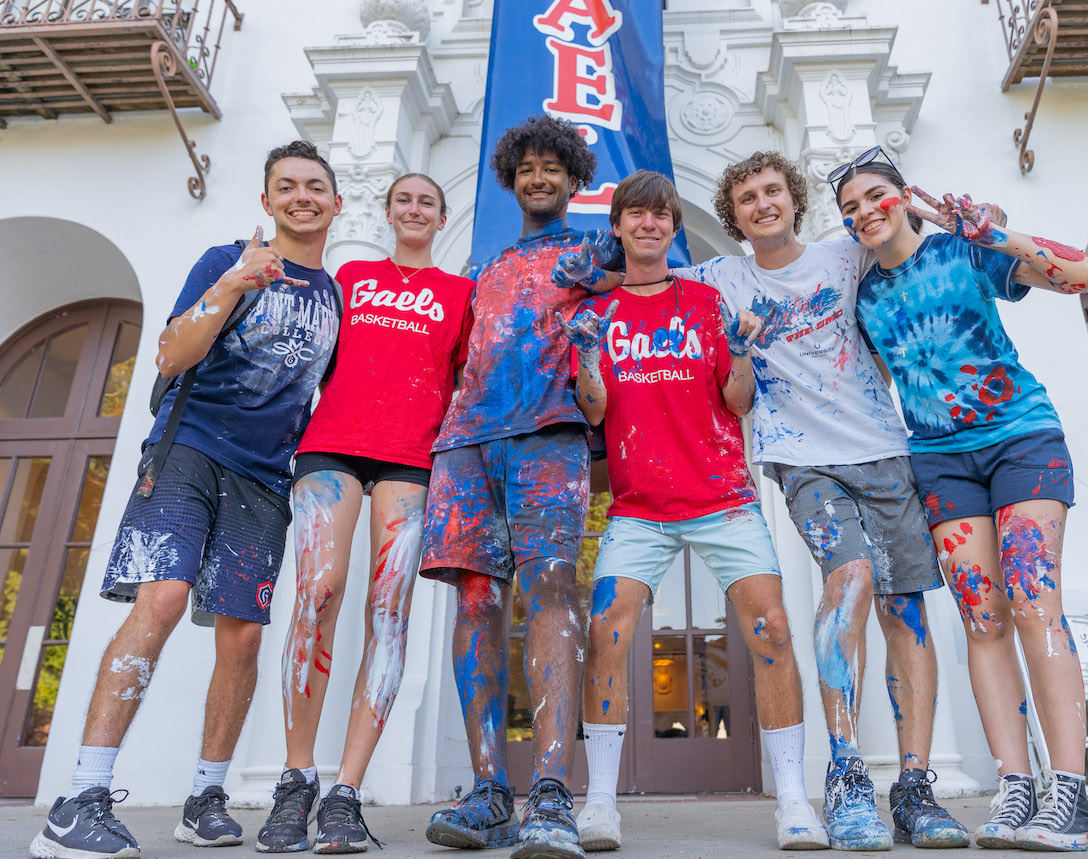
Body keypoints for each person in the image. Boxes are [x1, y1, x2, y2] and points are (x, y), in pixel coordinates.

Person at [556, 151, 968, 850]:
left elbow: (897, 244)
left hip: (826, 465)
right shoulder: (695, 285)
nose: (762, 204)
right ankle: (610, 801)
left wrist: (944, 221)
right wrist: (583, 306)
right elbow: (619, 344)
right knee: (619, 627)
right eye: (747, 197)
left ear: (793, 198)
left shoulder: (825, 261)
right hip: (727, 482)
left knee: (866, 617)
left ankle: (873, 791)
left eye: (773, 190)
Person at [29, 141, 342, 859]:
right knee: (163, 598)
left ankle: (205, 796)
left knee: (243, 636)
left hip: (265, 478)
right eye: (286, 186)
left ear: (334, 200)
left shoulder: (333, 298)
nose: (301, 196)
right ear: (267, 201)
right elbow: (171, 354)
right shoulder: (223, 261)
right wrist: (234, 282)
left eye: (314, 186)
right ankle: (80, 797)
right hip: (189, 450)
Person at [835, 150, 1088, 852]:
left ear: (904, 197)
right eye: (850, 207)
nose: (864, 211)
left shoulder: (966, 249)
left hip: (1022, 439)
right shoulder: (864, 299)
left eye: (875, 195)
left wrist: (996, 233)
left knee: (1033, 600)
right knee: (982, 621)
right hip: (941, 462)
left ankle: (1070, 794)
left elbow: (1087, 275)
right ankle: (1017, 787)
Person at [559, 169, 829, 853]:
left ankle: (794, 799)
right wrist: (587, 353)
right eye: (636, 215)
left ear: (673, 228)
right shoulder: (600, 310)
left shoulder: (706, 301)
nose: (649, 224)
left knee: (770, 628)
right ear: (617, 226)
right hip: (637, 506)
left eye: (661, 216)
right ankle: (599, 804)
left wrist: (739, 351)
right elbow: (594, 409)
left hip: (723, 498)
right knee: (608, 633)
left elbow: (738, 401)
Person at [419, 115, 621, 859]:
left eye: (553, 168)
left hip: (551, 436)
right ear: (512, 178)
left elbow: (643, 264)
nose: (539, 178)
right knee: (475, 602)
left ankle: (549, 791)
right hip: (466, 444)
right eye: (527, 168)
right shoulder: (489, 266)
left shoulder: (592, 250)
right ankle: (486, 789)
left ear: (574, 178)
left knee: (550, 594)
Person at [255, 174, 474, 853]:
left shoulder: (459, 295)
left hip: (412, 458)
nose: (414, 209)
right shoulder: (351, 276)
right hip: (329, 449)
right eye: (404, 199)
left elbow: (465, 385)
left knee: (389, 609)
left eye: (427, 203)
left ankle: (346, 792)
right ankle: (296, 779)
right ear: (386, 212)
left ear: (440, 219)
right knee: (317, 595)